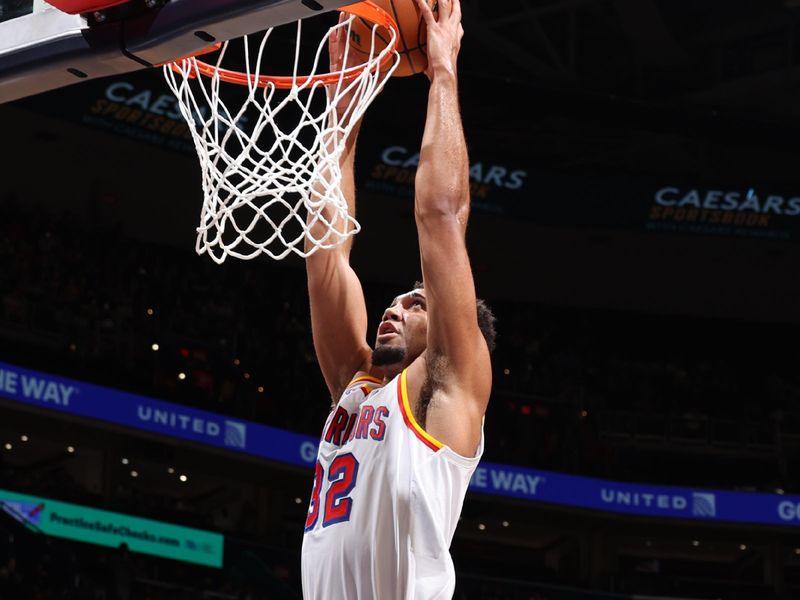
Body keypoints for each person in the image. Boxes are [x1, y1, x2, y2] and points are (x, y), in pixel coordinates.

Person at [301, 0, 495, 598]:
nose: (395, 307)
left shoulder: (448, 385)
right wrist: (345, 102)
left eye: (416, 303)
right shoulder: (355, 385)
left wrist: (443, 73)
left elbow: (440, 216)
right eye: (398, 300)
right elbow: (326, 250)